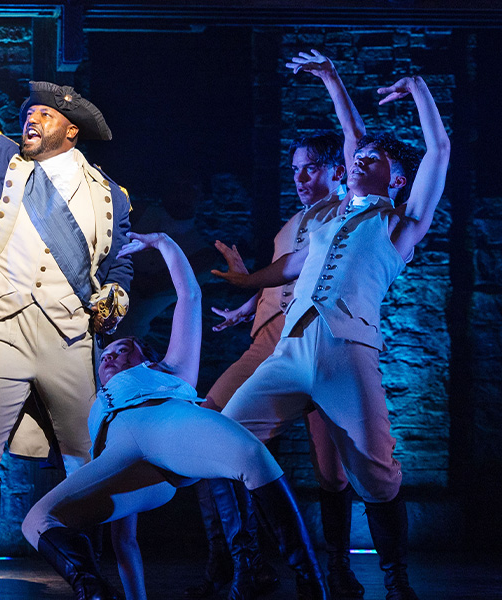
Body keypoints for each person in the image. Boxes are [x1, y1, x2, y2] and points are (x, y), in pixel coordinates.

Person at [214, 51, 451, 600]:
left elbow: (436, 149)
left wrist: (417, 88)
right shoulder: (330, 218)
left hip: (348, 352)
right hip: (291, 352)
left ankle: (396, 580)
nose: (361, 156)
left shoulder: (401, 224)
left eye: (373, 156)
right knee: (227, 439)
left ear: (397, 178)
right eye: (358, 155)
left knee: (378, 476)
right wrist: (330, 77)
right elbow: (352, 139)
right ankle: (297, 565)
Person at [0, 38, 136, 600]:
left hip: (67, 333)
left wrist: (115, 294)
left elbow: (119, 261)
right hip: (3, 327)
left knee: (84, 459)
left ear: (71, 129)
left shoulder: (110, 196)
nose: (31, 119)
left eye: (44, 114)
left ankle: (89, 576)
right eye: (28, 114)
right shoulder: (1, 161)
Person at [21, 232, 328, 600]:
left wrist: (164, 243)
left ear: (146, 358)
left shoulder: (172, 370)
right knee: (36, 521)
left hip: (167, 424)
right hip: (120, 452)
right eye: (106, 355)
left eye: (122, 350)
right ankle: (95, 593)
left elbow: (189, 296)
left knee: (251, 455)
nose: (109, 357)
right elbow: (125, 539)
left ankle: (308, 584)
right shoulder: (95, 400)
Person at [194, 131, 363, 600]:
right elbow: (282, 280)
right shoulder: (290, 225)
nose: (300, 177)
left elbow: (356, 143)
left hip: (321, 342)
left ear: (337, 170)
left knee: (333, 471)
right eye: (294, 169)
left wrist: (330, 79)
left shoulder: (350, 211)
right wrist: (244, 308)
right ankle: (235, 561)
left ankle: (337, 568)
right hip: (267, 341)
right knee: (210, 426)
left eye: (310, 167)